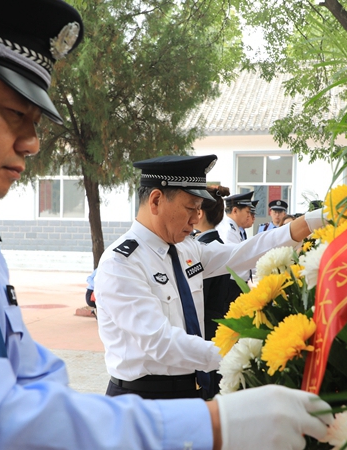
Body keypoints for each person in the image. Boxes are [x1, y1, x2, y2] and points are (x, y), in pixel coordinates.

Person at [0, 1, 332, 449]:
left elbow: (36, 382)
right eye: (14, 115)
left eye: (36, 121)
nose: (32, 142)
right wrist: (217, 426)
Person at [95, 155, 326, 404]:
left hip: (193, 392)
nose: (196, 218)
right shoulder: (121, 264)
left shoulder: (186, 250)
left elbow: (244, 253)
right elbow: (161, 343)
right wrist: (248, 353)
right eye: (190, 207)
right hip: (142, 400)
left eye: (199, 209)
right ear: (156, 201)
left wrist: (312, 221)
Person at [194, 185, 244, 398]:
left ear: (200, 213)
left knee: (209, 390)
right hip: (217, 328)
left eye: (192, 207)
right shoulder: (215, 243)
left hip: (207, 331)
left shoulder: (206, 249)